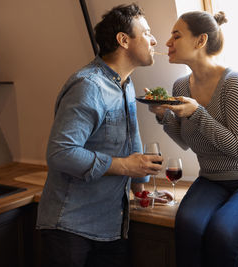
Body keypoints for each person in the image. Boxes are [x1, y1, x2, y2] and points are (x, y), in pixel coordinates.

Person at [36, 3, 172, 267]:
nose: (155, 40)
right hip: (71, 227)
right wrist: (123, 166)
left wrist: (141, 190)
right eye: (146, 32)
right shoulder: (89, 86)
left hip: (112, 224)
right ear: (123, 40)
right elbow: (60, 153)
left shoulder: (126, 84)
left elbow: (131, 141)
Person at [148, 10, 238, 267]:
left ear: (200, 41)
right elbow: (185, 141)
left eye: (176, 36)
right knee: (186, 227)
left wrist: (197, 113)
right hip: (212, 180)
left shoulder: (235, 83)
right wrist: (162, 115)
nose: (167, 42)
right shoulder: (180, 87)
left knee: (221, 234)